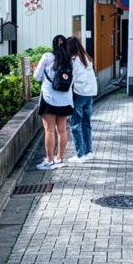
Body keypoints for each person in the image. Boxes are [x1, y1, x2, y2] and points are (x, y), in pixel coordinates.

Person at [32, 34, 74, 170]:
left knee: (49, 130)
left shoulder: (47, 57)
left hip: (49, 98)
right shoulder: (70, 60)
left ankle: (49, 160)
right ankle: (60, 158)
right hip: (65, 99)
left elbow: (37, 77)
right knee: (62, 130)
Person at [65, 37, 97, 162]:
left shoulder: (74, 61)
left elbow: (71, 79)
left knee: (75, 125)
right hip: (89, 94)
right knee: (86, 124)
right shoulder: (86, 58)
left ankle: (80, 155)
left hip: (78, 94)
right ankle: (89, 152)